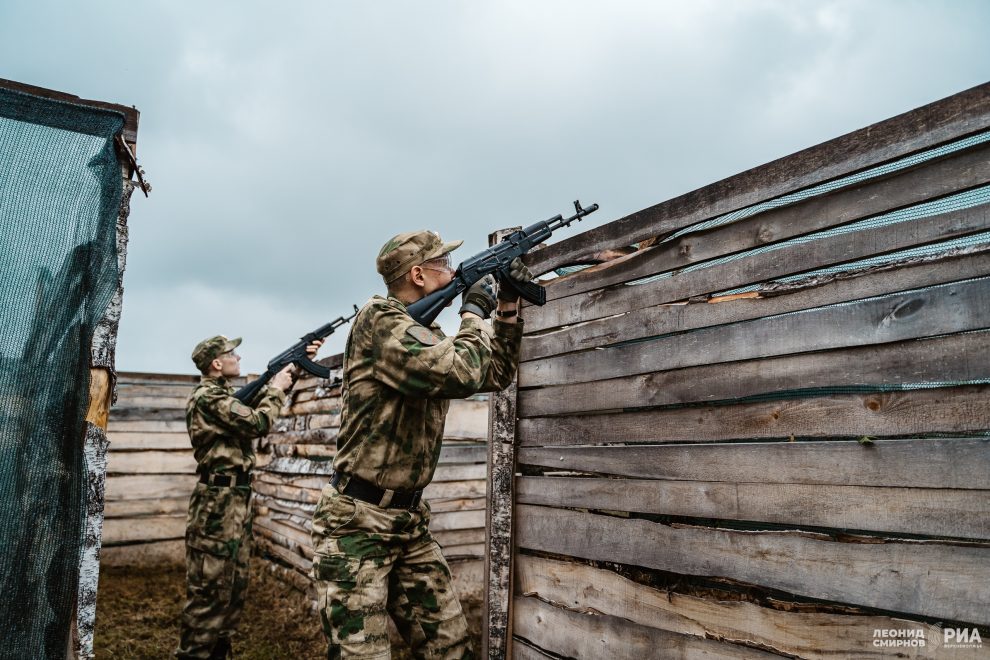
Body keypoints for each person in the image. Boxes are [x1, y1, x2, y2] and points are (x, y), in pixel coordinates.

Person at [311, 230, 531, 659]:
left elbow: (494, 374)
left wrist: (506, 307)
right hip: (357, 524)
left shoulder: (422, 332)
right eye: (443, 264)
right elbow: (461, 372)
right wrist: (473, 310)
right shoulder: (380, 321)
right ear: (417, 274)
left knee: (450, 649)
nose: (452, 270)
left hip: (408, 523)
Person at [176, 334, 320, 659]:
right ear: (217, 363)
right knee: (209, 589)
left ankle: (218, 652)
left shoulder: (226, 398)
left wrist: (294, 367)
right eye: (233, 353)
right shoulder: (207, 399)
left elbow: (252, 407)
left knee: (233, 585)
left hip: (236, 498)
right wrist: (277, 388)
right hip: (217, 503)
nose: (238, 358)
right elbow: (258, 422)